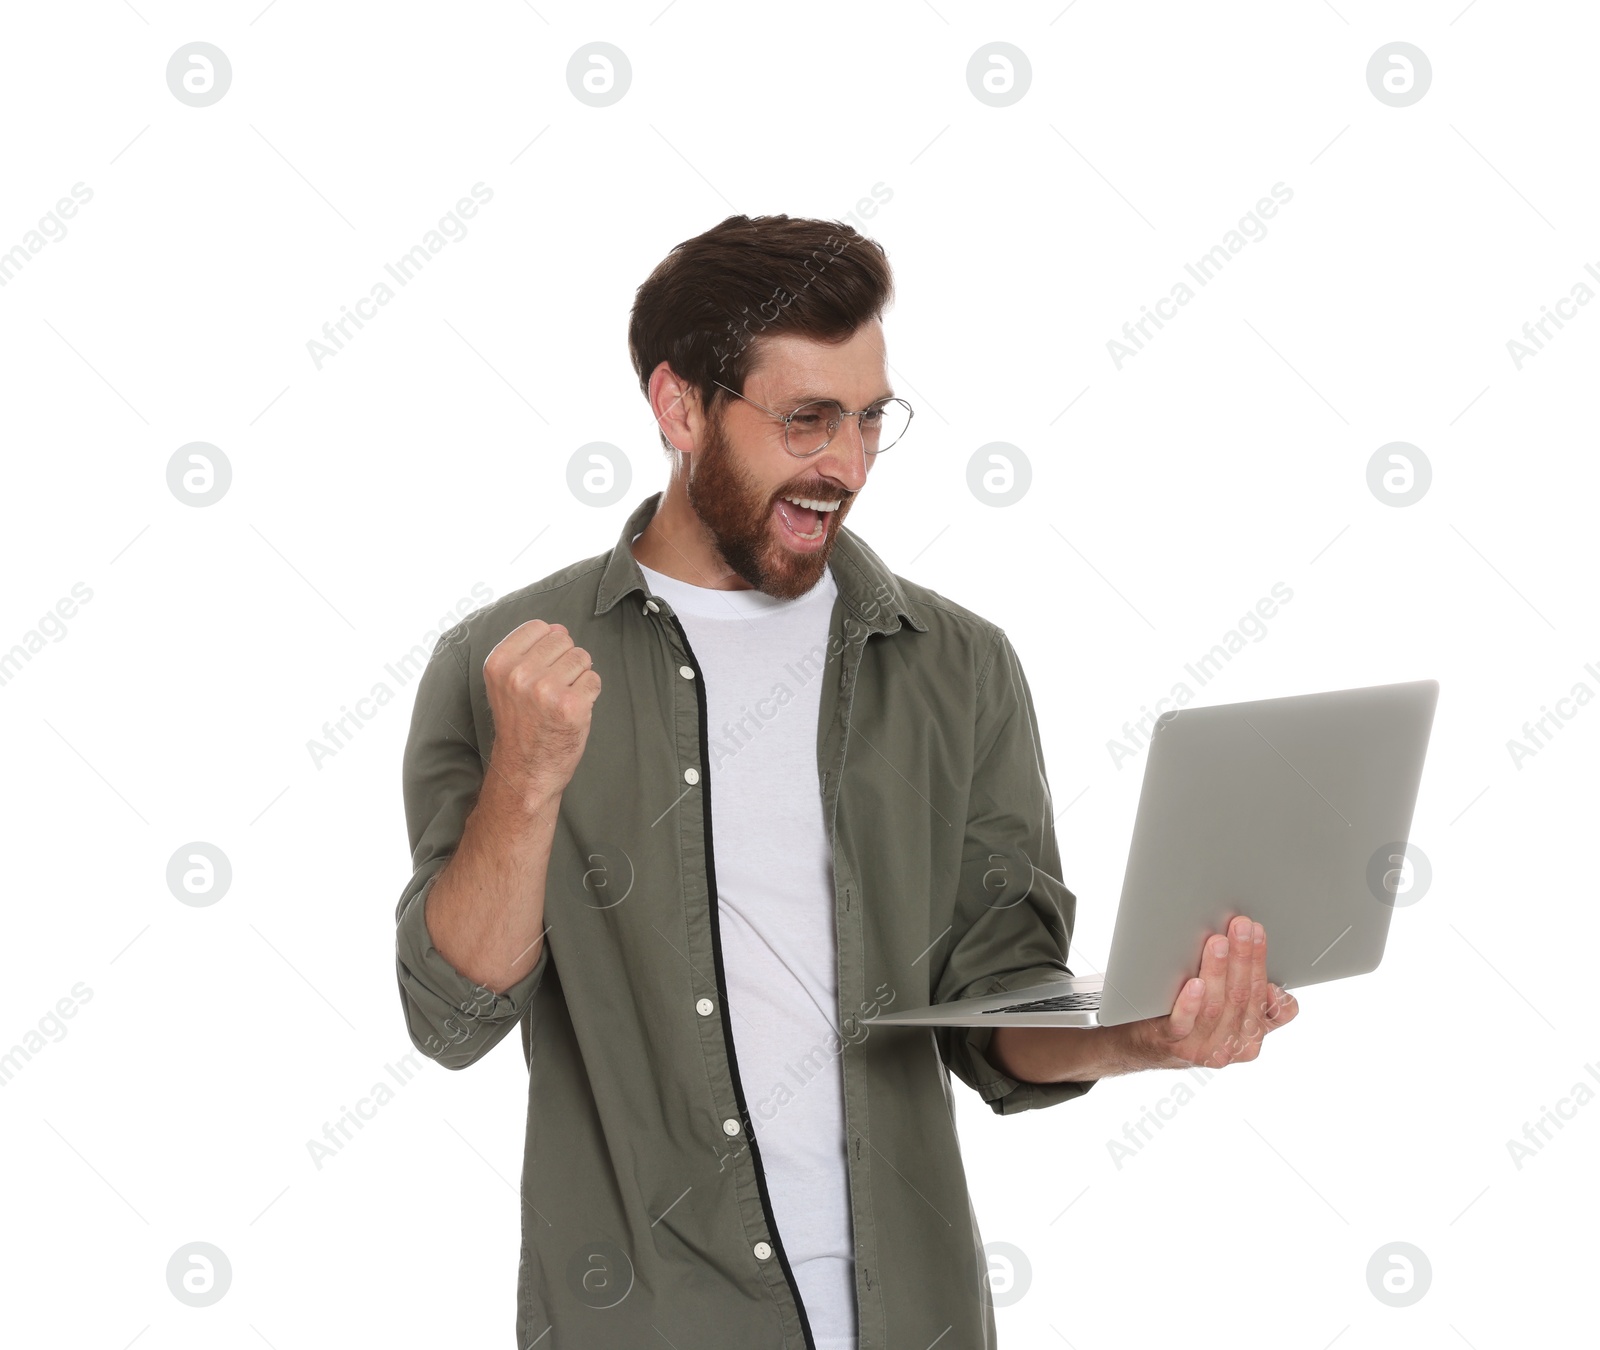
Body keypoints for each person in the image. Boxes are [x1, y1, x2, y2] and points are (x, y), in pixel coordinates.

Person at [393, 213, 1298, 1349]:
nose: (848, 467)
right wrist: (525, 785)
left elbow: (995, 1011)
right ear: (679, 410)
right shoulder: (509, 663)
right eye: (806, 420)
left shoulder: (955, 663)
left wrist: (1142, 1036)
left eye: (870, 419)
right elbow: (453, 1014)